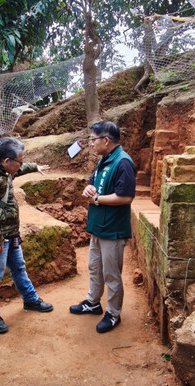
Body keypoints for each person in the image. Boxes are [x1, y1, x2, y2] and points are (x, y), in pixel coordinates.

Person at [0, 137, 53, 334]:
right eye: (20, 161)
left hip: (10, 232)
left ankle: (30, 300)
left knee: (18, 268)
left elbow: (18, 169)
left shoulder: (3, 169)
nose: (21, 165)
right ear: (7, 161)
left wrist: (34, 167)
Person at [70, 121, 136, 333]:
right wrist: (89, 189)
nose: (91, 144)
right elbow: (94, 184)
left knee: (111, 274)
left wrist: (96, 200)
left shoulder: (123, 163)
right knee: (95, 268)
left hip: (112, 230)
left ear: (105, 140)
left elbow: (125, 197)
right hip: (98, 227)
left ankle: (114, 313)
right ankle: (93, 302)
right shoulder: (105, 160)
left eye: (93, 139)